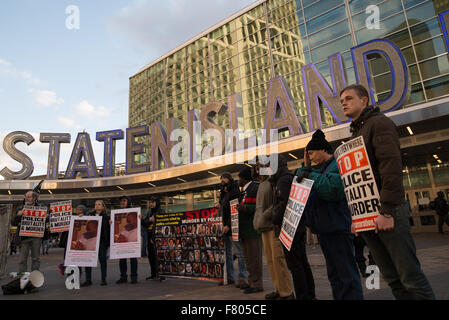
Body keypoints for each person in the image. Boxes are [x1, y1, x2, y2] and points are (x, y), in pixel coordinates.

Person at [340, 84, 435, 300]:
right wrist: (358, 216)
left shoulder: (379, 124)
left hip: (387, 212)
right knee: (392, 277)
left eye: (349, 98)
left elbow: (390, 168)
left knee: (410, 277)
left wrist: (387, 211)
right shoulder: (358, 131)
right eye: (341, 100)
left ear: (364, 100)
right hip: (369, 216)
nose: (343, 103)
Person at [296, 130, 363, 300]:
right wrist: (306, 168)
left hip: (337, 228)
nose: (310, 157)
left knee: (346, 274)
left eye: (311, 153)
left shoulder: (336, 165)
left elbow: (332, 190)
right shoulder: (323, 169)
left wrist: (309, 172)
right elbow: (307, 182)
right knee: (335, 275)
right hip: (327, 229)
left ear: (323, 150)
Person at [272, 154, 316, 300]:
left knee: (296, 265)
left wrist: (274, 215)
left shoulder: (283, 180)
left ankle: (304, 295)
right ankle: (309, 295)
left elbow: (283, 203)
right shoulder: (285, 178)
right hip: (295, 226)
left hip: (291, 227)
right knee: (301, 263)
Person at [253, 158, 294, 300]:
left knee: (278, 260)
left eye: (261, 166)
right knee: (270, 261)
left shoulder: (272, 181)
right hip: (264, 226)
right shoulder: (263, 183)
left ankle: (286, 291)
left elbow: (277, 202)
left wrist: (266, 215)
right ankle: (278, 289)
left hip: (272, 225)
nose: (259, 168)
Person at [215, 172, 248, 288]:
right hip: (225, 227)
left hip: (233, 226)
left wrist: (228, 225)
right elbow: (224, 207)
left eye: (223, 178)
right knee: (227, 253)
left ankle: (243, 278)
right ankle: (229, 277)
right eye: (220, 179)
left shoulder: (234, 191)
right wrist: (220, 203)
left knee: (239, 253)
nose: (221, 180)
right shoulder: (224, 192)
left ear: (229, 179)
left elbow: (234, 210)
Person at [237, 166, 263, 294]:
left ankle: (257, 284)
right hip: (244, 231)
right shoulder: (243, 191)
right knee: (248, 259)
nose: (238, 180)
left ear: (244, 178)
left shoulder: (255, 188)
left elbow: (259, 208)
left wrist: (245, 208)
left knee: (255, 259)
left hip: (253, 230)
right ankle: (251, 281)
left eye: (239, 177)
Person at [11, 189, 43, 274]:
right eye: (26, 197)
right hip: (23, 238)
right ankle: (22, 277)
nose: (27, 198)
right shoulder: (20, 208)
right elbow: (13, 222)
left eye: (29, 197)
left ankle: (35, 278)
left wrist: (46, 217)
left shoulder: (40, 208)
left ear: (34, 198)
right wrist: (18, 215)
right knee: (22, 259)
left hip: (36, 237)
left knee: (35, 259)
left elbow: (45, 223)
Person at [82, 200, 110, 287]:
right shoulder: (89, 216)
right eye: (96, 204)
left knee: (102, 260)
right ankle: (88, 279)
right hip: (91, 241)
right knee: (88, 260)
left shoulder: (107, 217)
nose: (97, 206)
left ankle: (103, 279)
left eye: (99, 204)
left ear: (102, 207)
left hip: (102, 242)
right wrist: (80, 217)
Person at [59, 204, 87, 275]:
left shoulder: (87, 219)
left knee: (78, 261)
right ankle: (69, 275)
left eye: (80, 210)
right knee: (69, 260)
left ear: (84, 211)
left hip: (79, 243)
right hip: (69, 242)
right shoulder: (71, 218)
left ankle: (77, 276)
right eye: (77, 209)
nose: (78, 211)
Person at [116, 196, 139, 284]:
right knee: (122, 260)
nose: (122, 202)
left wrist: (140, 218)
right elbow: (120, 235)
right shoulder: (126, 227)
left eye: (124, 201)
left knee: (133, 259)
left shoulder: (135, 212)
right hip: (123, 245)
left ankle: (134, 277)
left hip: (133, 245)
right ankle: (123, 277)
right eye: (121, 201)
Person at [141, 195, 160, 280]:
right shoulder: (149, 212)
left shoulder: (160, 211)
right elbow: (145, 223)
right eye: (150, 202)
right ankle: (153, 274)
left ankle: (159, 274)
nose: (151, 204)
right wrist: (146, 220)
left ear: (157, 202)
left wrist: (155, 219)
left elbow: (162, 224)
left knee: (157, 257)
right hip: (149, 237)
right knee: (151, 256)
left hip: (156, 237)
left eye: (153, 202)